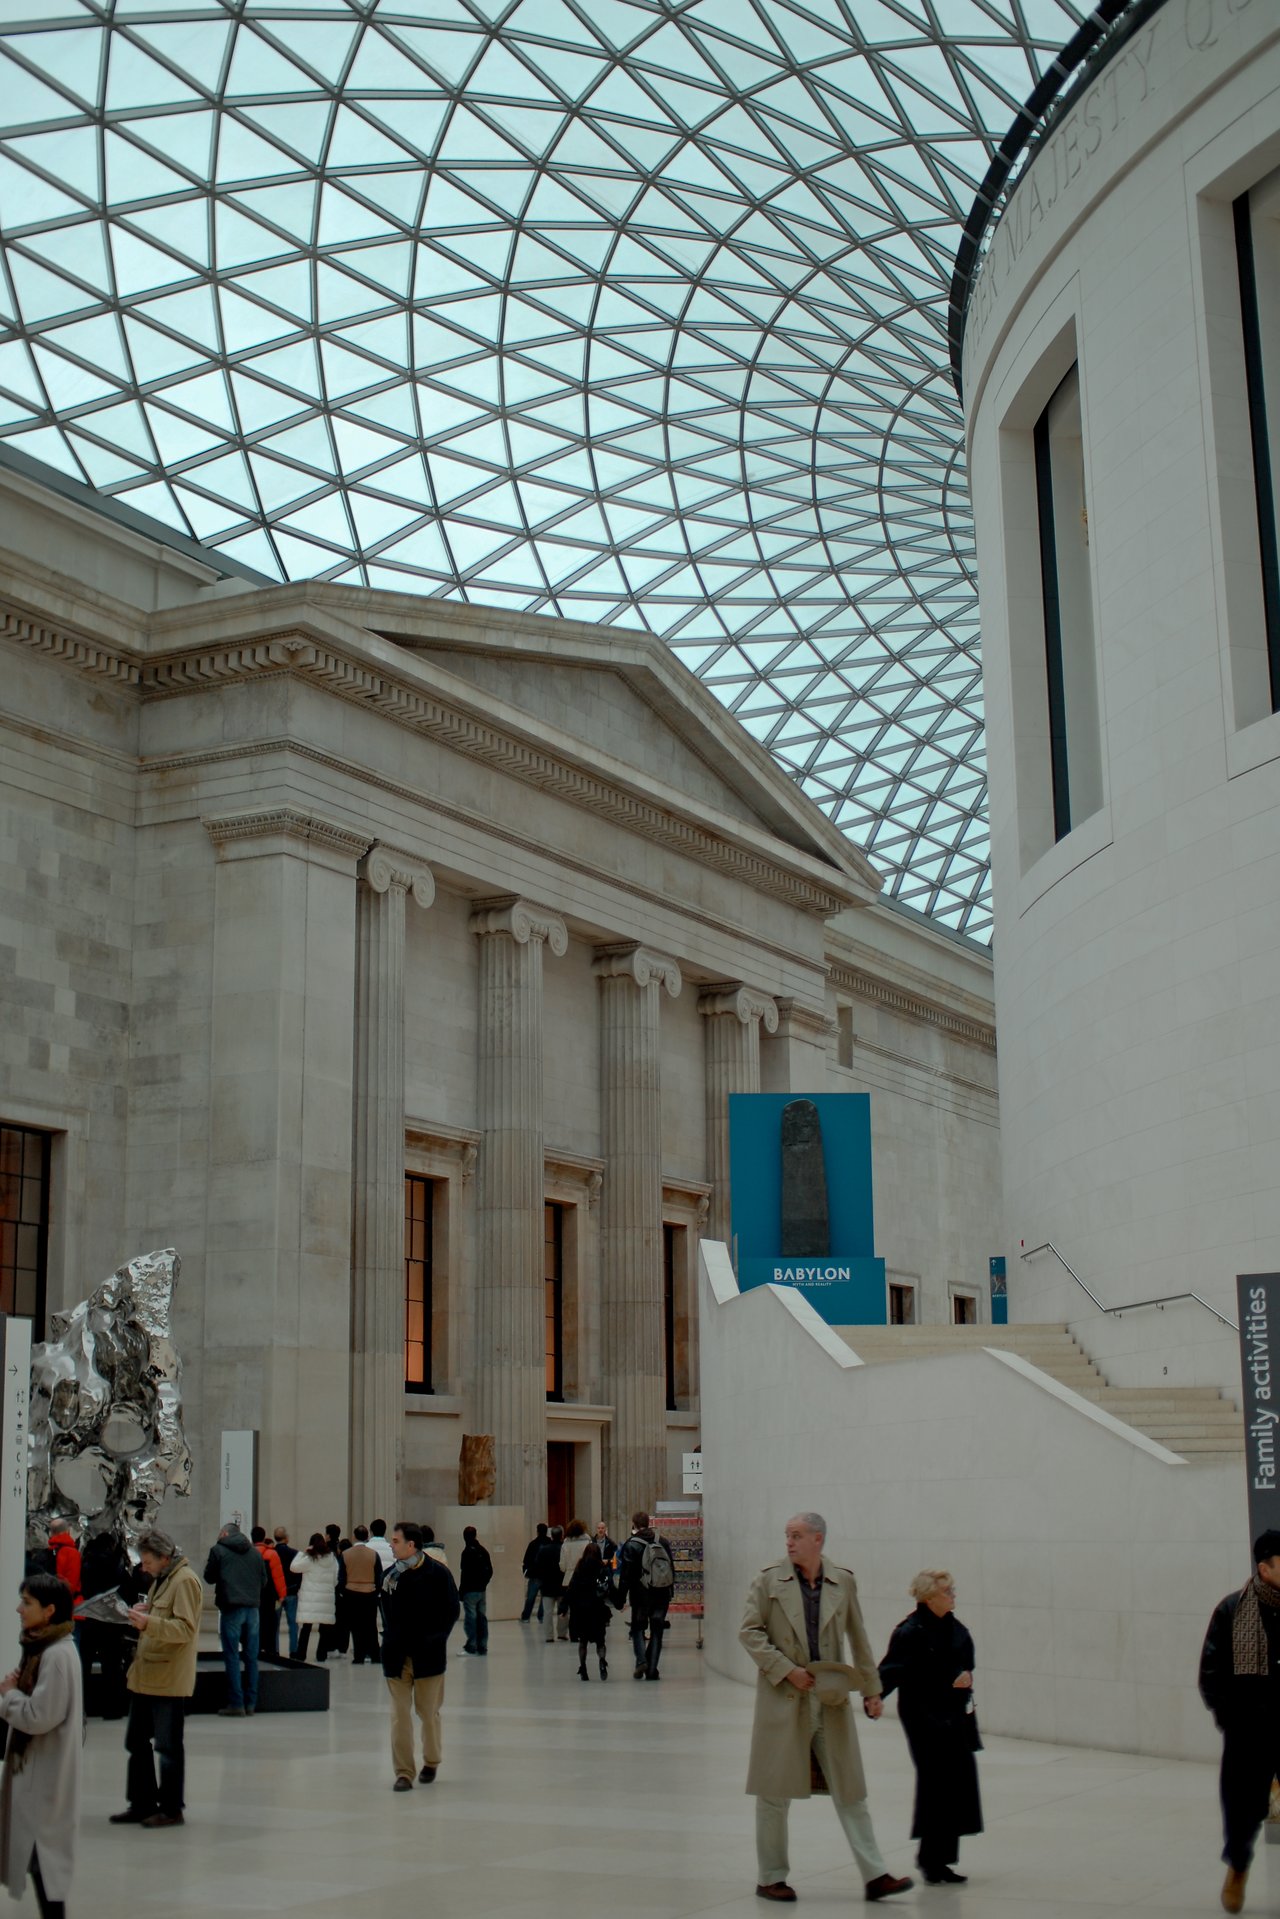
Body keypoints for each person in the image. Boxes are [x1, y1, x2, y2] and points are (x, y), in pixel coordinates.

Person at [740, 1512, 911, 1904]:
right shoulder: (768, 1580)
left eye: (797, 1535)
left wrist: (872, 1690)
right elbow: (749, 1632)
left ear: (818, 1539)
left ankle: (876, 1876)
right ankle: (771, 1877)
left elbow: (859, 1636)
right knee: (773, 1792)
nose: (789, 1542)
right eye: (786, 1535)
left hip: (829, 1698)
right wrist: (786, 1670)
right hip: (784, 1697)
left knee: (849, 1789)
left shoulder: (842, 1581)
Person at [878, 1570, 982, 1886]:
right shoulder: (909, 1631)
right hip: (923, 1717)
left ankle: (942, 1859)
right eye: (948, 1591)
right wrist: (873, 1698)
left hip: (953, 1715)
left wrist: (965, 1677)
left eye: (952, 1590)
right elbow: (890, 1671)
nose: (953, 1596)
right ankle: (930, 1860)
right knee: (936, 1781)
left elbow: (965, 1663)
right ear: (929, 1596)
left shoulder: (954, 1627)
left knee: (958, 1778)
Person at [1199, 1528, 1280, 1914]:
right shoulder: (1233, 1610)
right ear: (1265, 1569)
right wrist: (1231, 1718)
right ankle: (1237, 1870)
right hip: (1250, 1730)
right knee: (1243, 1807)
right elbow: (1211, 1674)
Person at [0, 1573, 80, 1919]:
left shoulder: (56, 1656)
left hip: (45, 1777)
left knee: (44, 1864)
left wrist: (9, 1697)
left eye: (27, 1603)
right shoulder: (45, 1649)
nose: (19, 1609)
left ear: (49, 1611)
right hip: (40, 1773)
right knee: (41, 1865)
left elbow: (38, 1717)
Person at [111, 1526, 201, 1829]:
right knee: (136, 1740)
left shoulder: (185, 1581)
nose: (143, 1567)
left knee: (167, 1746)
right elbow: (162, 1617)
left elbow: (185, 1630)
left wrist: (149, 1622)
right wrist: (143, 1612)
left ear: (165, 1557)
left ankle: (172, 1808)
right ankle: (142, 1802)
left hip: (168, 1677)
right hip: (146, 1673)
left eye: (147, 1561)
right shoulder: (162, 1580)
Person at [380, 1522, 460, 1791]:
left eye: (395, 1541)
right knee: (399, 1715)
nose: (391, 1545)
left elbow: (451, 1611)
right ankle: (403, 1772)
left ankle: (432, 1760)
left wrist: (435, 1639)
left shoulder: (438, 1575)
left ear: (410, 1545)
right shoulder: (390, 1576)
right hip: (397, 1656)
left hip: (428, 1657)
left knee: (428, 1712)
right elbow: (385, 1612)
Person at [203, 1521, 268, 1716]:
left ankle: (236, 1703)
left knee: (232, 1656)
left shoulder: (218, 1550)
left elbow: (209, 1577)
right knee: (251, 1658)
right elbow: (263, 1581)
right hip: (253, 1609)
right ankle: (251, 1703)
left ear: (223, 1533)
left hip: (231, 1607)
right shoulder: (256, 1553)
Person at [77, 1530, 131, 1720]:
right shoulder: (117, 1563)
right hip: (112, 1621)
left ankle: (82, 1705)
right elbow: (125, 1589)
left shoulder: (87, 1561)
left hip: (91, 1618)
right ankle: (113, 1708)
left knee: (84, 1665)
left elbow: (82, 1586)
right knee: (112, 1666)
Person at [616, 1511, 675, 1680]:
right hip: (661, 1593)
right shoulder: (662, 1541)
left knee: (637, 1628)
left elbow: (625, 1576)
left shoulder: (631, 1545)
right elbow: (671, 1568)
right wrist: (670, 1592)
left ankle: (641, 1660)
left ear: (634, 1524)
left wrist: (620, 1599)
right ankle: (652, 1670)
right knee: (657, 1631)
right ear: (649, 1523)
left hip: (640, 1594)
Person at [567, 1542, 610, 1681]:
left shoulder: (580, 1567)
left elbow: (572, 1587)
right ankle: (602, 1661)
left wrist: (563, 1606)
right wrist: (620, 1602)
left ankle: (583, 1668)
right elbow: (609, 1587)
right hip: (597, 1609)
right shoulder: (602, 1567)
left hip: (581, 1610)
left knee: (583, 1641)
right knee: (600, 1641)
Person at [294, 1534, 339, 1662]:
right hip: (326, 1597)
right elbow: (336, 1578)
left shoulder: (309, 1557)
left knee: (306, 1628)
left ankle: (301, 1654)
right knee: (324, 1629)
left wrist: (303, 1553)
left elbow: (294, 1567)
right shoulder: (331, 1558)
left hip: (310, 1597)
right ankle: (321, 1655)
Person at [343, 1527, 382, 1666]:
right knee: (371, 1626)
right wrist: (375, 1591)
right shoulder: (373, 1554)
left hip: (351, 1593)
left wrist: (345, 1591)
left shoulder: (346, 1554)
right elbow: (379, 1576)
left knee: (356, 1626)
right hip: (369, 1593)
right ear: (367, 1537)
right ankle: (375, 1655)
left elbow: (341, 1577)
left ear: (354, 1536)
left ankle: (358, 1656)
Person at [251, 1526, 286, 1663]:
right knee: (270, 1625)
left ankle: (255, 1650)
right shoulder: (272, 1554)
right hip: (268, 1596)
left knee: (254, 1624)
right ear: (264, 1537)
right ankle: (270, 1652)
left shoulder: (248, 1553)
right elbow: (278, 1577)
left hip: (252, 1595)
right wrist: (282, 1595)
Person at [458, 1526, 493, 1656]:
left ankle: (471, 1645)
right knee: (481, 1618)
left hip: (470, 1590)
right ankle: (482, 1645)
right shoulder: (482, 1550)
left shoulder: (467, 1552)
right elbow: (490, 1570)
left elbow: (465, 1573)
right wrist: (483, 1583)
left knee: (471, 1619)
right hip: (481, 1590)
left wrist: (461, 1591)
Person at [272, 1527, 301, 1657]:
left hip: (276, 1594)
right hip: (291, 1591)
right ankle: (294, 1651)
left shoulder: (272, 1553)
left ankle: (275, 1650)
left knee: (274, 1625)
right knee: (293, 1624)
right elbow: (299, 1573)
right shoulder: (294, 1553)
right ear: (286, 1538)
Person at [535, 1526, 566, 1642]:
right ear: (562, 1535)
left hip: (547, 1585)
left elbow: (538, 1566)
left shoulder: (543, 1550)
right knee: (563, 1610)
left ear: (551, 1536)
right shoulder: (564, 1549)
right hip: (562, 1584)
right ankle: (562, 1633)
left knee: (547, 1612)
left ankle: (549, 1635)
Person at [45, 1533, 81, 1613]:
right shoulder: (72, 1552)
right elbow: (72, 1584)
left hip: (48, 1605)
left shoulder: (46, 1552)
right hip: (70, 1606)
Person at [519, 1523, 548, 1623]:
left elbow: (526, 1560)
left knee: (530, 1598)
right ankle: (541, 1616)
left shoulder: (533, 1544)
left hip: (535, 1575)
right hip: (547, 1575)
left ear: (537, 1531)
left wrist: (526, 1571)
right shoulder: (549, 1543)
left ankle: (526, 1617)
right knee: (544, 1599)